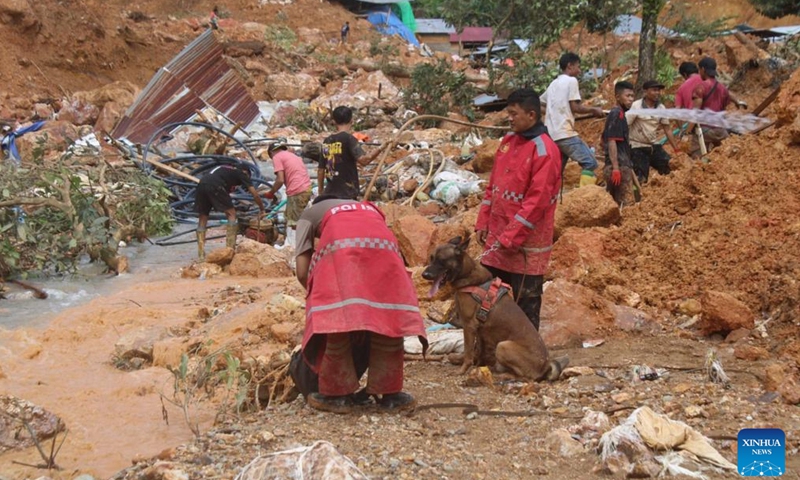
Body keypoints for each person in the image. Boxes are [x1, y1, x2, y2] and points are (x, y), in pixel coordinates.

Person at [294, 197, 426, 413]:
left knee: (337, 317)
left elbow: (301, 271)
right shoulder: (368, 208)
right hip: (385, 247)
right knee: (387, 316)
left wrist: (318, 297)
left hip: (342, 245)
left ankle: (336, 395)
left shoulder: (307, 215)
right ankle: (390, 394)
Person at [475, 88, 562, 330]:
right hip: (498, 239)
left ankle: (530, 357)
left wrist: (511, 236)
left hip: (526, 246)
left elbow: (537, 202)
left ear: (531, 114)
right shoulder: (507, 142)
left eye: (514, 114)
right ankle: (490, 351)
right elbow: (492, 187)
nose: (509, 118)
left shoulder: (545, 150)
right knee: (488, 298)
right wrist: (483, 223)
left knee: (526, 304)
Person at [541, 52, 605, 186]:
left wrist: (551, 113)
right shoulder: (571, 81)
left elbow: (540, 102)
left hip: (551, 135)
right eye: (578, 66)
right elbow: (575, 107)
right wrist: (594, 110)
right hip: (565, 134)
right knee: (590, 163)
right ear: (570, 66)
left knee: (557, 171)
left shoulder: (554, 83)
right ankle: (584, 197)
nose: (580, 70)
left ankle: (551, 200)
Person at [195, 164, 266, 261]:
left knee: (203, 217)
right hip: (215, 185)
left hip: (201, 184)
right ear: (246, 172)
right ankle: (230, 250)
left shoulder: (223, 169)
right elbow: (255, 194)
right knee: (232, 214)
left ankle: (201, 255)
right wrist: (262, 209)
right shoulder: (241, 173)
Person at [687, 57, 748, 157]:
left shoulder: (700, 87)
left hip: (705, 130)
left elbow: (695, 113)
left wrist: (687, 132)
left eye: (699, 70)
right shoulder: (721, 87)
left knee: (697, 157)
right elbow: (730, 94)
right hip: (720, 130)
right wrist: (738, 102)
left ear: (702, 69)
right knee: (726, 154)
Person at [626, 80, 681, 183]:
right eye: (654, 90)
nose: (657, 93)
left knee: (670, 168)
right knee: (641, 179)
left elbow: (667, 129)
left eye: (658, 90)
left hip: (654, 146)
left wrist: (676, 150)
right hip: (638, 147)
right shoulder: (636, 106)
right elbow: (625, 125)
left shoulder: (661, 108)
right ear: (646, 91)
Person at [264, 139, 312, 249]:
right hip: (306, 188)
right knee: (292, 216)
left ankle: (292, 248)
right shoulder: (292, 156)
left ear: (271, 153)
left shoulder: (277, 157)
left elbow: (280, 180)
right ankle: (293, 243)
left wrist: (271, 192)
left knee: (293, 222)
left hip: (297, 190)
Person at [319, 106, 368, 200]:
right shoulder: (349, 139)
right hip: (347, 193)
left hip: (330, 193)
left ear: (334, 121)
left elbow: (321, 169)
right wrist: (381, 148)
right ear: (351, 120)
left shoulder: (327, 141)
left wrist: (321, 192)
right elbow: (364, 161)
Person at [603, 81, 636, 206]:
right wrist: (616, 168)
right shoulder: (616, 114)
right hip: (618, 168)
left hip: (621, 165)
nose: (631, 100)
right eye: (627, 96)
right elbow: (612, 141)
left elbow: (603, 140)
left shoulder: (620, 114)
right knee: (623, 203)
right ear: (617, 97)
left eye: (632, 96)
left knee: (616, 202)